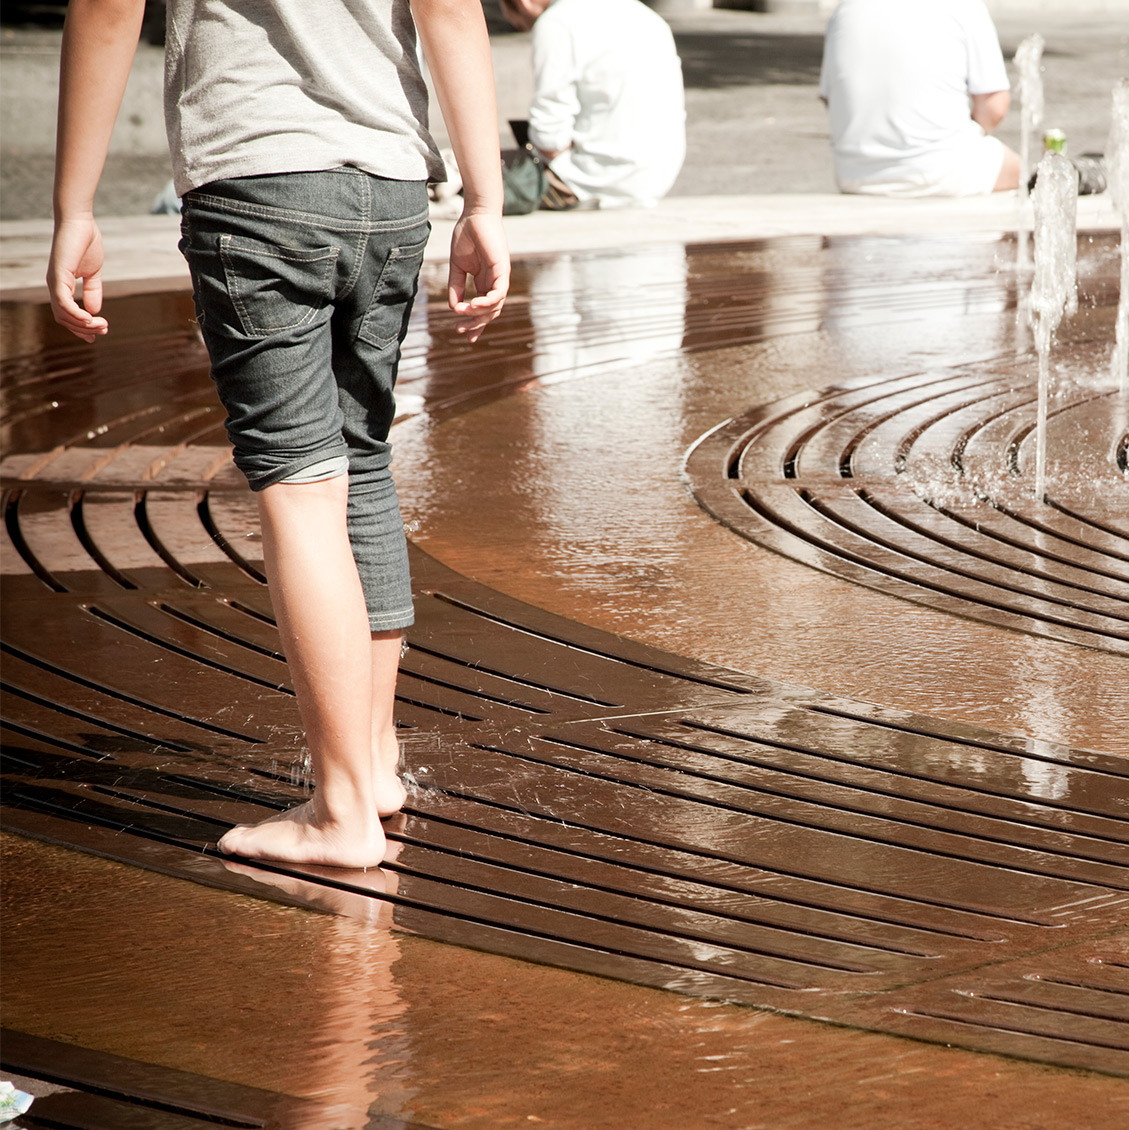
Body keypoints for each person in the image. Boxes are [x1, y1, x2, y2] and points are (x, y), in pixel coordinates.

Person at [47, 0, 509, 868]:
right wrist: (483, 200)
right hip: (390, 185)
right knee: (360, 462)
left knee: (298, 486)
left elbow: (107, 10)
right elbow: (452, 10)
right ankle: (370, 768)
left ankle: (340, 817)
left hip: (257, 179)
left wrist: (74, 205)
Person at [818, 0, 1019, 198]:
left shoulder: (845, 9)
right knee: (1026, 172)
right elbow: (995, 107)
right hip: (939, 173)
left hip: (853, 174)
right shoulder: (964, 6)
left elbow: (830, 99)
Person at [496, 0, 686, 209]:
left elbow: (549, 137)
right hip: (655, 178)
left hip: (592, 179)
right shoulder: (648, 16)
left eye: (521, 25)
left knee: (474, 173)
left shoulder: (557, 22)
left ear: (523, 3)